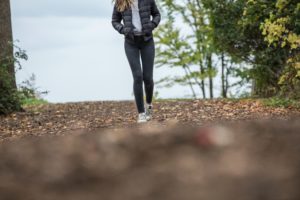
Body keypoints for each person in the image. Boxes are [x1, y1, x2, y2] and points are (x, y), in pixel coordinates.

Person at [111, 0, 161, 123]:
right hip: (130, 43)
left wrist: (152, 25)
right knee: (137, 76)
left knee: (148, 78)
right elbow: (114, 21)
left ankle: (148, 105)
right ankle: (141, 113)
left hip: (147, 41)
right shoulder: (121, 2)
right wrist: (123, 30)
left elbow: (157, 14)